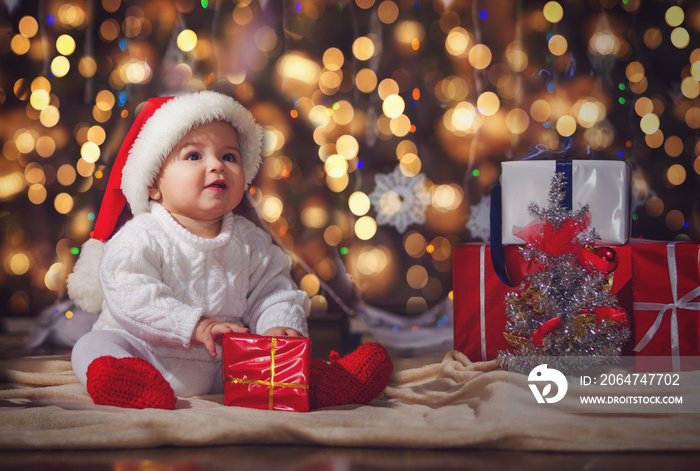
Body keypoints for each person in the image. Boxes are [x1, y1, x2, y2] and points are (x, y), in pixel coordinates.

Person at [68, 91, 392, 410]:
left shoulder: (250, 242)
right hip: (146, 353)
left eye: (229, 156)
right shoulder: (142, 235)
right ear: (153, 183)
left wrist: (277, 325)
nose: (217, 166)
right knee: (92, 345)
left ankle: (324, 382)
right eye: (194, 156)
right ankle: (126, 380)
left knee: (268, 365)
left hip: (221, 365)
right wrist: (194, 326)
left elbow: (274, 292)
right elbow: (130, 292)